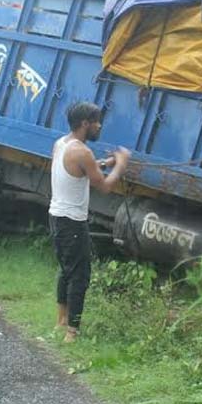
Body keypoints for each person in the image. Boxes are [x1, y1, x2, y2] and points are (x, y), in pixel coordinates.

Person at [49, 102, 130, 343]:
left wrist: (105, 164)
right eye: (96, 122)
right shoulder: (83, 152)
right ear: (85, 123)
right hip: (72, 222)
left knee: (66, 270)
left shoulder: (62, 143)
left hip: (57, 216)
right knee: (80, 275)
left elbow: (80, 170)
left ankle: (61, 321)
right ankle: (72, 332)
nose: (99, 126)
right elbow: (105, 186)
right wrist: (122, 165)